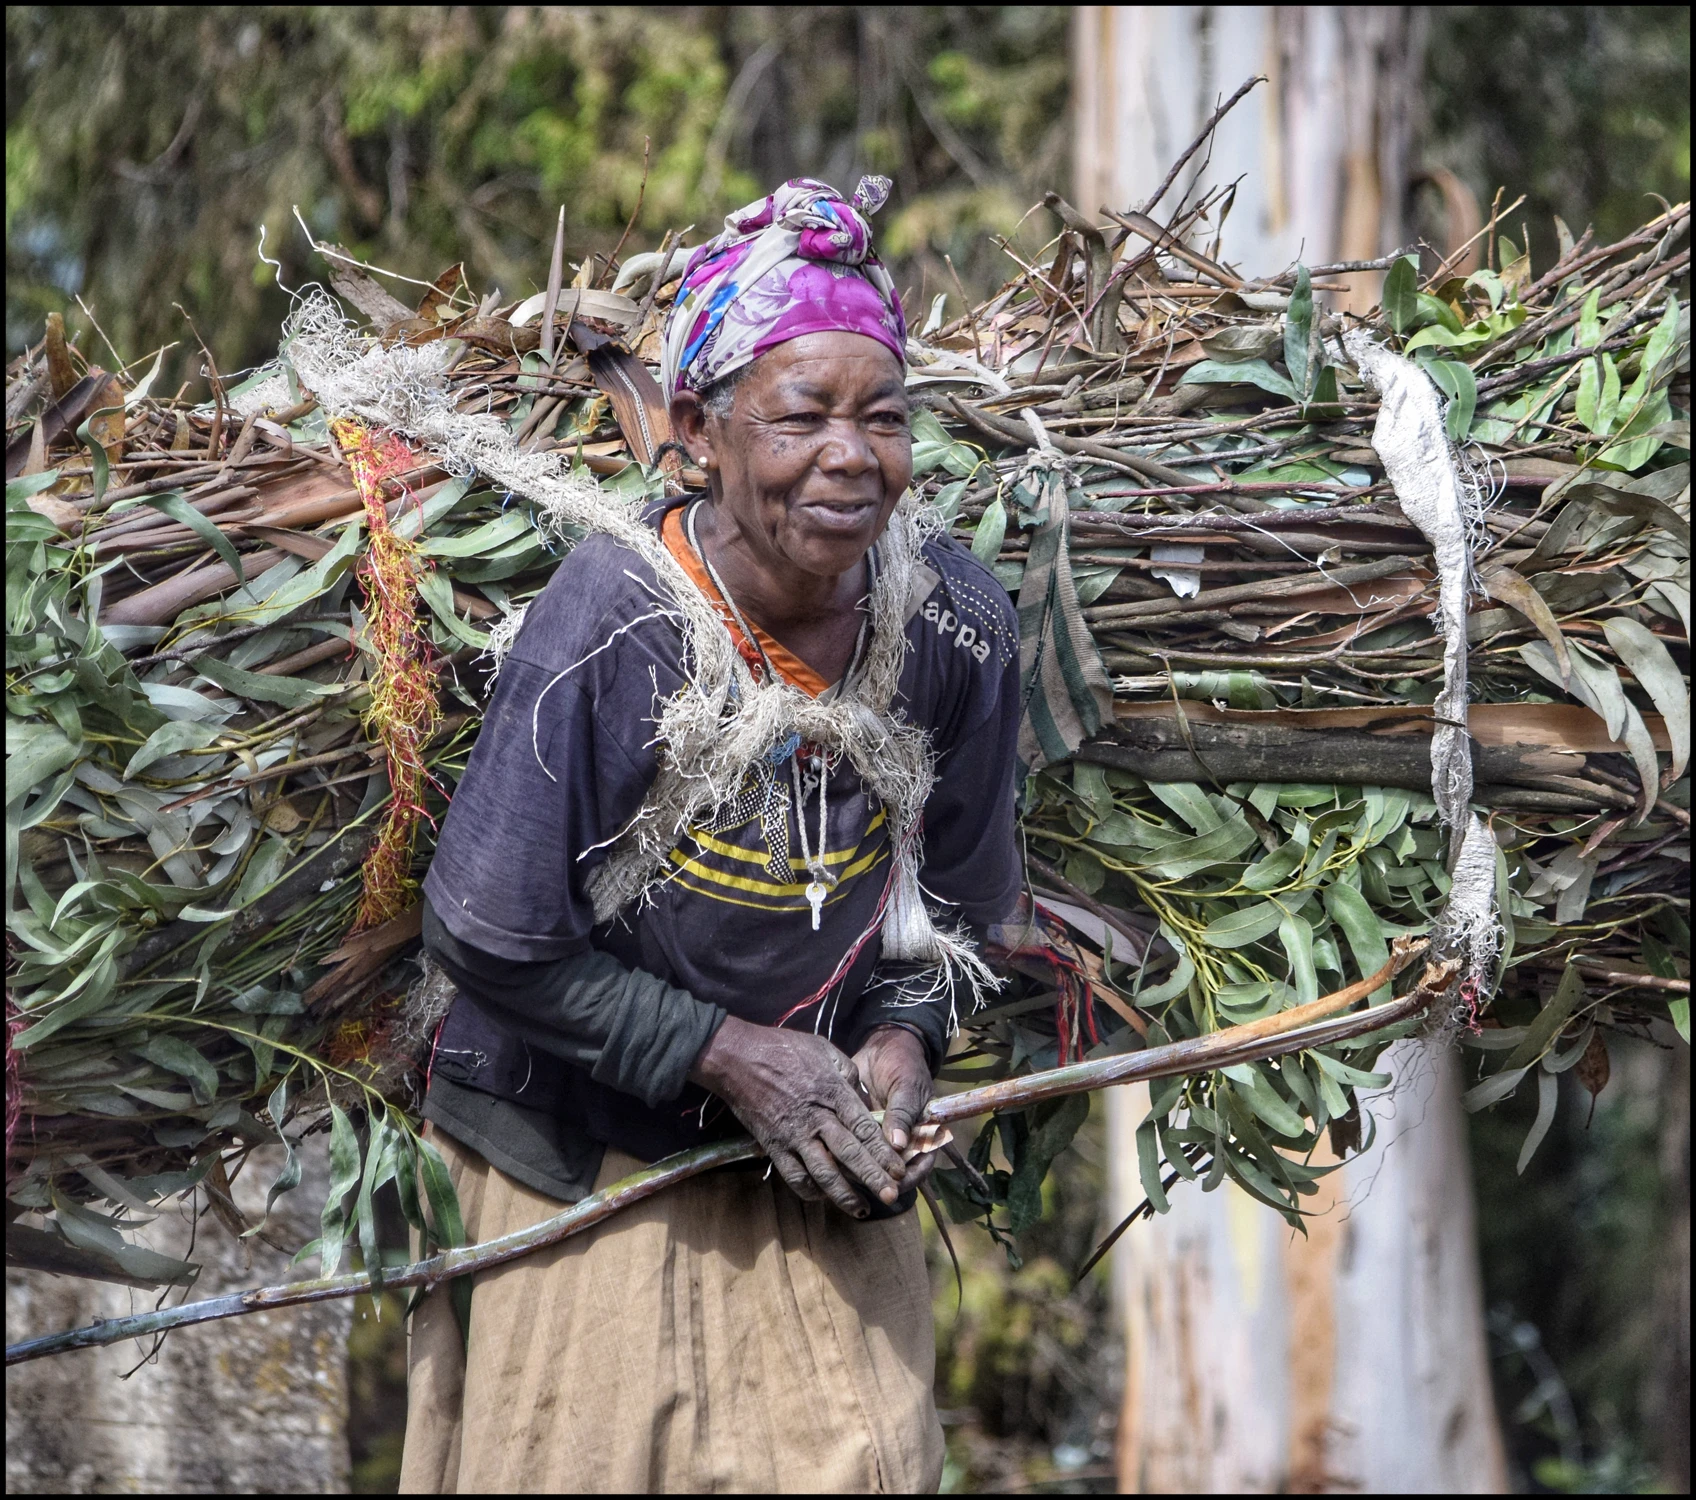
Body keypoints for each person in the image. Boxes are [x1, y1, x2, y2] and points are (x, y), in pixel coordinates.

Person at [399, 176, 1027, 1493]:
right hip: (575, 1158)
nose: (851, 456)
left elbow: (964, 909)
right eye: (802, 416)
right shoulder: (617, 618)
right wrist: (728, 1055)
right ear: (699, 431)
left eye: (885, 418)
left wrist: (905, 1039)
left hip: (808, 1167)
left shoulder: (952, 626)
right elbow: (486, 929)